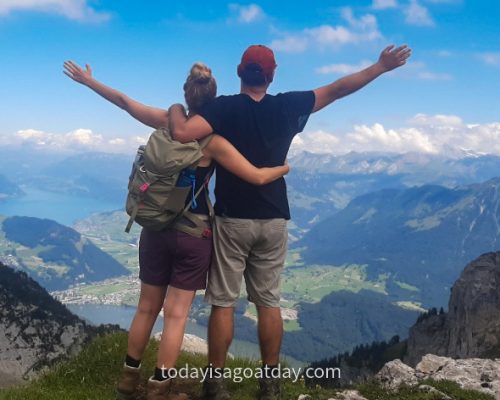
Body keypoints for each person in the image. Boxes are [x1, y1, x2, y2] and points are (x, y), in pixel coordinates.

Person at [167, 43, 412, 400]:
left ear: (239, 72)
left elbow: (184, 133)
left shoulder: (223, 109)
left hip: (233, 219)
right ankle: (270, 384)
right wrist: (380, 66)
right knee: (268, 303)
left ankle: (215, 384)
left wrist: (176, 109)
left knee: (223, 302)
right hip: (275, 219)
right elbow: (339, 88)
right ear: (272, 74)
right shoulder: (287, 106)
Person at [63, 61, 290, 400]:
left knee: (145, 308)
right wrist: (283, 167)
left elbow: (125, 103)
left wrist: (89, 81)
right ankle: (159, 389)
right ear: (212, 101)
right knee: (176, 315)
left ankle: (128, 381)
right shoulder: (213, 140)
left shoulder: (166, 121)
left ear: (186, 93)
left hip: (154, 227)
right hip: (193, 235)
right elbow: (257, 177)